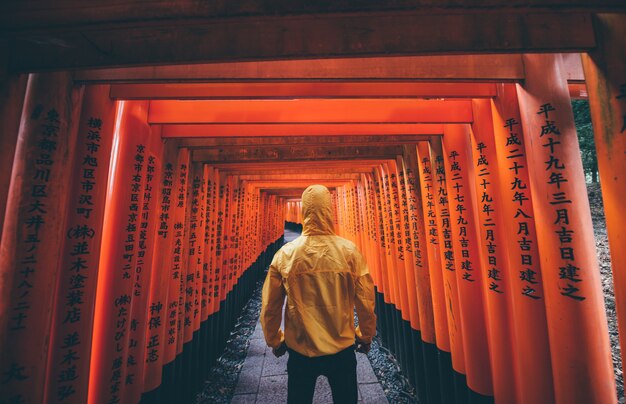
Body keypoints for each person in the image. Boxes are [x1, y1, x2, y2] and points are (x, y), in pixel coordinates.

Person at [261, 184, 376, 404]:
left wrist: (275, 340)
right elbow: (366, 300)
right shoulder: (349, 251)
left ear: (304, 211)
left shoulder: (286, 254)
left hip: (301, 349)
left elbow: (270, 305)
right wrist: (365, 335)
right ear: (329, 211)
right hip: (341, 348)